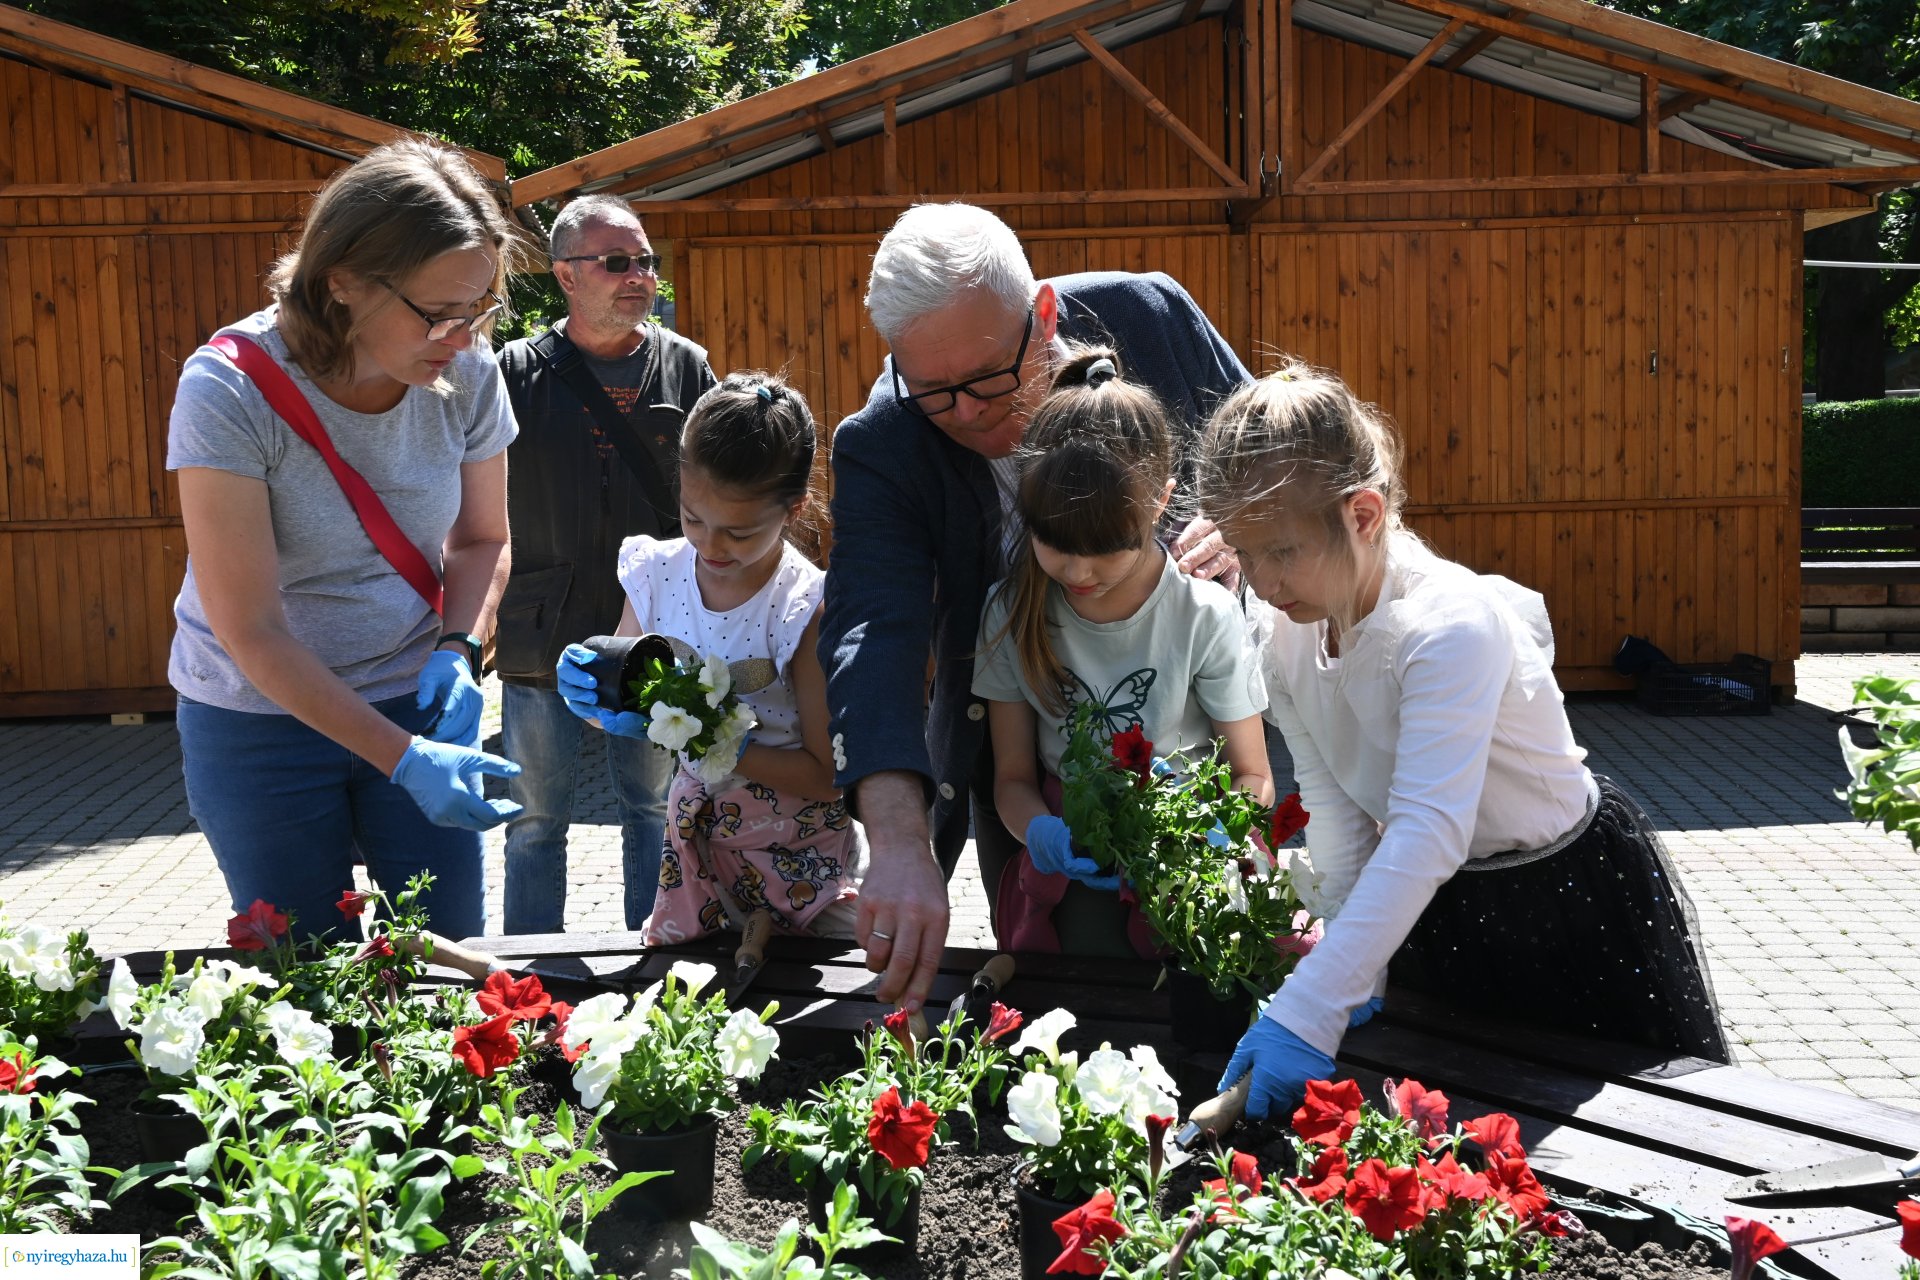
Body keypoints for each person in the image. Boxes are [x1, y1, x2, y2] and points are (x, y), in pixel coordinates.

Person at [1200, 363, 1729, 1119]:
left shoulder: (1449, 626)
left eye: (1281, 551)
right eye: (1244, 554)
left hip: (1566, 901)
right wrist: (1353, 980)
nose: (1261, 578)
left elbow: (1425, 829)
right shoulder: (1285, 634)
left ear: (1363, 515)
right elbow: (1342, 818)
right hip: (1443, 906)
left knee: (1614, 1138)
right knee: (1457, 1144)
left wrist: (1310, 1007)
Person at [820, 202, 1252, 1011]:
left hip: (1221, 745)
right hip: (1031, 785)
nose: (969, 413)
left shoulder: (1150, 315)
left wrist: (1245, 518)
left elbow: (1278, 448)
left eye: (988, 380)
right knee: (1065, 1001)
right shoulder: (882, 440)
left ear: (1043, 311)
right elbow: (871, 627)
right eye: (933, 394)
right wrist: (899, 839)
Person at [168, 137, 527, 944]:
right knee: (302, 976)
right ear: (344, 282)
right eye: (439, 313)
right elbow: (250, 628)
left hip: (416, 692)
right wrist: (401, 760)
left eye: (480, 310)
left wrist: (459, 648)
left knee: (446, 968)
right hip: (258, 723)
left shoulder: (467, 371)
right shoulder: (227, 388)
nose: (463, 337)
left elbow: (482, 538)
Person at [974, 350, 1272, 956]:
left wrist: (1213, 835)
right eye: (1054, 542)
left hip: (1184, 840)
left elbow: (1254, 774)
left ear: (1160, 502)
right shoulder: (1010, 612)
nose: (1078, 570)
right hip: (1076, 844)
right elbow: (1011, 778)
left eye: (1107, 546)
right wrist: (1041, 832)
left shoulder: (1203, 614)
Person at [555, 373, 863, 943]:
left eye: (739, 533)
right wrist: (597, 695)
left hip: (798, 856)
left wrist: (719, 745)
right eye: (693, 518)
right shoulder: (655, 574)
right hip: (697, 853)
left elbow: (827, 778)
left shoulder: (802, 606)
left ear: (793, 510)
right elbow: (626, 694)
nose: (711, 546)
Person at [494, 195, 718, 934]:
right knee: (532, 822)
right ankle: (527, 985)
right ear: (564, 274)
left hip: (654, 643)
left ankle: (652, 969)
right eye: (616, 262)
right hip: (538, 633)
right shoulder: (516, 373)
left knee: (654, 811)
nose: (638, 276)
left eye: (645, 261)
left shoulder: (688, 369)